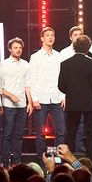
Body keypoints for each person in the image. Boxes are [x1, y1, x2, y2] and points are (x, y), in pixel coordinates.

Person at [57, 35, 92, 160]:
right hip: (88, 103)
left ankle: (68, 160)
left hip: (72, 102)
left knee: (71, 133)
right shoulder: (91, 63)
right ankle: (90, 161)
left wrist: (71, 93)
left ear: (75, 46)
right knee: (91, 133)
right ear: (88, 47)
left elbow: (60, 86)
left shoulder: (65, 64)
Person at [28, 27, 66, 160]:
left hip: (56, 98)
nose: (50, 37)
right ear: (42, 38)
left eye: (52, 35)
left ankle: (55, 158)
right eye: (47, 35)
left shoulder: (59, 56)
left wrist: (63, 96)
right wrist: (35, 99)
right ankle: (42, 160)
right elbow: (32, 79)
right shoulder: (36, 57)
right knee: (40, 133)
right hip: (41, 99)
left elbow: (63, 78)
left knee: (60, 132)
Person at [0, 38, 32, 166]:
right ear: (10, 49)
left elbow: (28, 84)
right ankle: (5, 162)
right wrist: (11, 95)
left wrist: (30, 102)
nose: (18, 50)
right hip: (8, 105)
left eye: (20, 48)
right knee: (7, 135)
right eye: (15, 47)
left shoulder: (26, 64)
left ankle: (17, 162)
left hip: (22, 105)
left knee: (18, 135)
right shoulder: (3, 64)